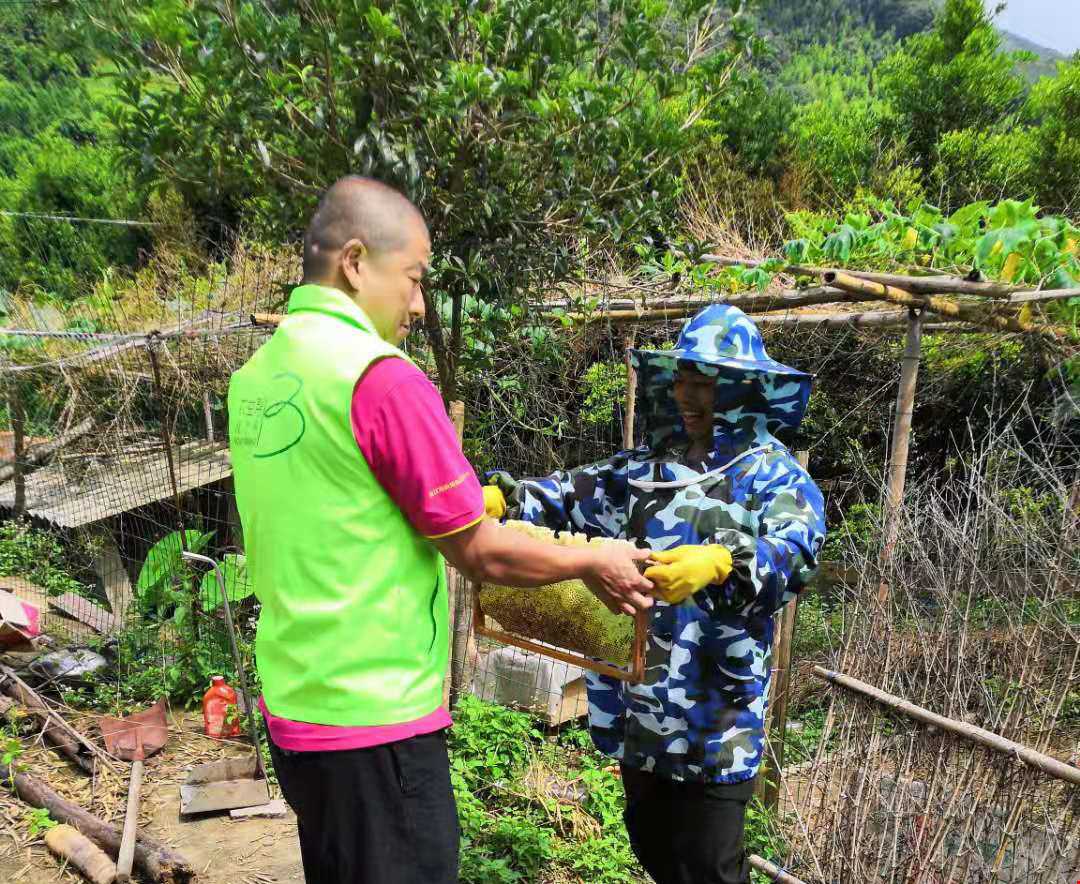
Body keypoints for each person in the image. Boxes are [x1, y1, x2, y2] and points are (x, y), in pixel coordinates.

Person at [227, 175, 654, 884]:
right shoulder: (381, 378)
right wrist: (591, 560)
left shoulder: (261, 375)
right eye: (415, 278)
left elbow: (338, 505)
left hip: (297, 710)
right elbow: (480, 552)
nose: (420, 304)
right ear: (356, 262)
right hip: (377, 721)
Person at [484, 305, 826, 884]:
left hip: (715, 722)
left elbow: (796, 550)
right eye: (684, 379)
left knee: (710, 869)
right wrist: (505, 499)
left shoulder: (775, 477)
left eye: (708, 383)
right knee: (653, 847)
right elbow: (570, 491)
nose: (690, 395)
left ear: (745, 390)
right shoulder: (646, 468)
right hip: (640, 711)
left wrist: (723, 560)